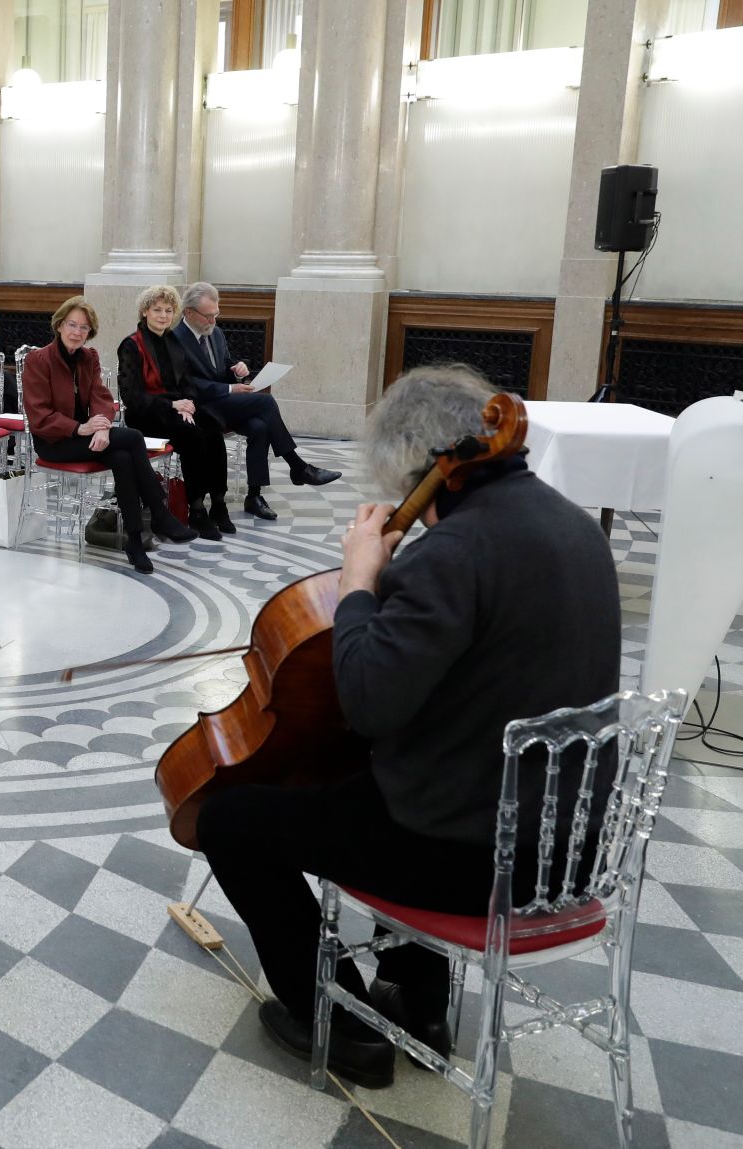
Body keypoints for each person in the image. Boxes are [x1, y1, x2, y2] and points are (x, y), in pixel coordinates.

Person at [194, 364, 622, 1090]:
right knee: (373, 781)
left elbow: (367, 701)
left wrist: (361, 579)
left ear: (429, 470)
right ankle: (419, 1004)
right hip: (569, 854)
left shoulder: (452, 554)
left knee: (231, 817)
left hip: (480, 863)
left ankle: (346, 1027)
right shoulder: (575, 524)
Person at [26, 297, 195, 572]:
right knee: (132, 437)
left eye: (84, 328)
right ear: (59, 325)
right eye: (72, 325)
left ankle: (135, 541)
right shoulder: (39, 359)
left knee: (122, 458)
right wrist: (81, 428)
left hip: (88, 435)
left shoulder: (88, 357)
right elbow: (38, 414)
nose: (77, 332)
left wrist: (102, 426)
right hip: (54, 441)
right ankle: (160, 514)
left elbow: (101, 397)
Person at [174, 281, 340, 519]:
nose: (213, 321)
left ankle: (254, 496)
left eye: (216, 314)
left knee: (260, 427)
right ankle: (299, 467)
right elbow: (187, 384)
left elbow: (223, 368)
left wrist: (237, 369)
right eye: (208, 316)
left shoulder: (215, 333)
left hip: (223, 402)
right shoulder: (176, 339)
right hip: (199, 407)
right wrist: (230, 388)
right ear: (189, 313)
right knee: (266, 403)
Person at [115, 285, 236, 541]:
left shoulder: (173, 340)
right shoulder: (131, 345)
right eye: (157, 309)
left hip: (178, 408)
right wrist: (173, 405)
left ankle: (218, 501)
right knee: (191, 436)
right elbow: (132, 397)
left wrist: (189, 404)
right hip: (147, 416)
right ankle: (197, 508)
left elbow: (187, 383)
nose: (163, 315)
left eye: (169, 310)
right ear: (145, 311)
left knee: (213, 428)